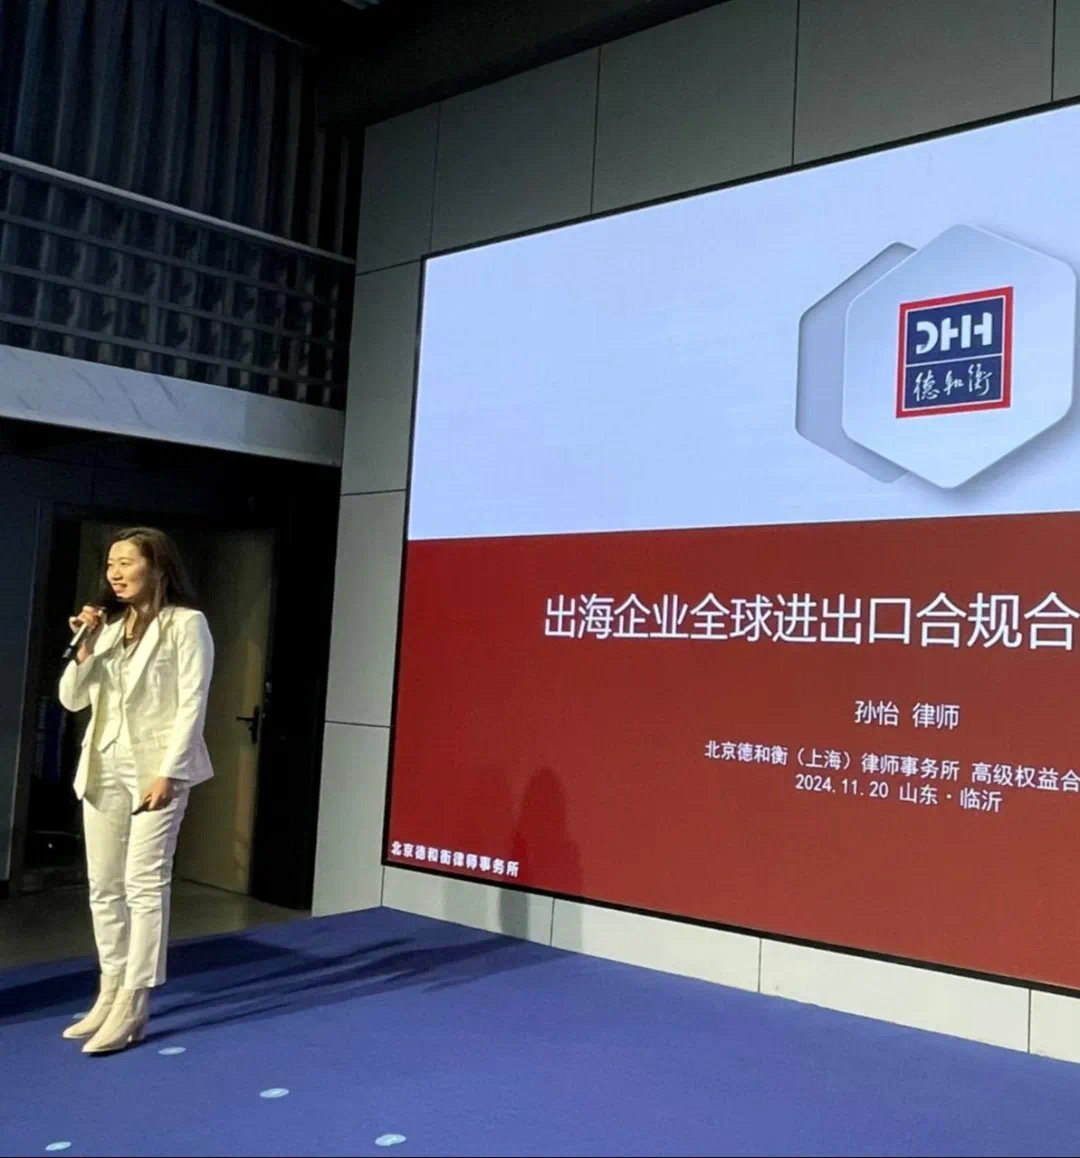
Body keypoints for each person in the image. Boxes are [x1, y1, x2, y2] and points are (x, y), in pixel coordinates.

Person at [58, 527, 214, 1055]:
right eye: (110, 565)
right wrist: (84, 648)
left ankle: (134, 1002)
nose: (116, 573)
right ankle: (109, 988)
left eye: (126, 562)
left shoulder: (185, 624)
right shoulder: (105, 629)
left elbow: (192, 702)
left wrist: (170, 771)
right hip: (103, 765)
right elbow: (72, 700)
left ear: (158, 566)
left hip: (156, 769)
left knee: (143, 884)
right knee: (103, 885)